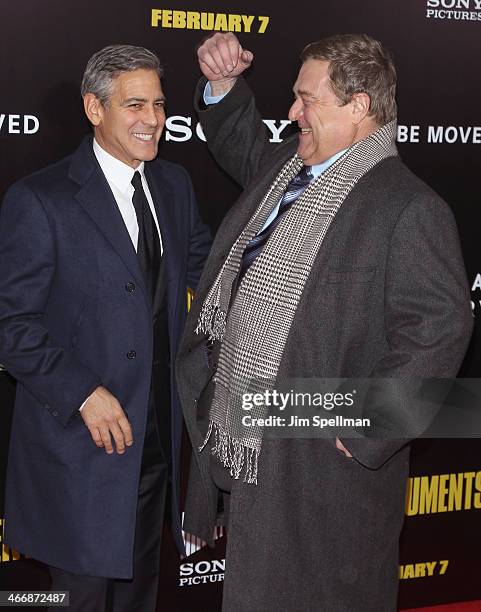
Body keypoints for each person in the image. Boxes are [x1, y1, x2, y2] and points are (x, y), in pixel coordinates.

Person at [176, 33, 473, 611]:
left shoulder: (409, 207)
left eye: (305, 99)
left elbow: (441, 327)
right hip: (251, 444)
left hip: (319, 478)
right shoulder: (285, 170)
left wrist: (367, 425)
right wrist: (221, 86)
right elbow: (239, 141)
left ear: (359, 106)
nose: (290, 114)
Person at [0, 44, 210, 611]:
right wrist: (83, 393)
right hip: (81, 452)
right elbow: (9, 324)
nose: (154, 120)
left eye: (160, 104)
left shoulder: (174, 187)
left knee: (139, 595)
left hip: (156, 447)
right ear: (95, 109)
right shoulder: (40, 199)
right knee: (82, 601)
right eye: (135, 105)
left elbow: (209, 279)